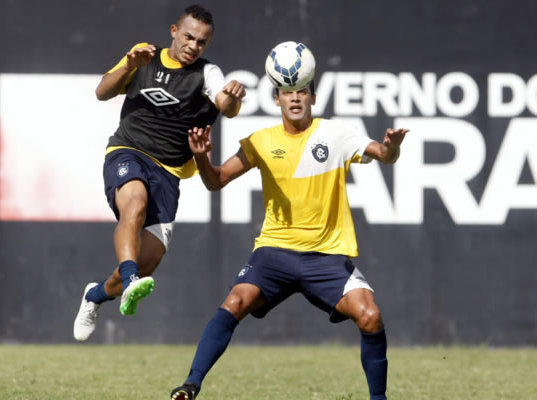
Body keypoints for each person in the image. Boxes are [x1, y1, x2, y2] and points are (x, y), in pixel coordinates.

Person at [170, 77, 408, 399]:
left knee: (370, 316)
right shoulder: (261, 141)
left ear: (313, 97)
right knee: (234, 303)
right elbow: (217, 180)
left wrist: (392, 147)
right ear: (276, 99)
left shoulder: (337, 134)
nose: (295, 98)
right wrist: (200, 157)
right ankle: (191, 385)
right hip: (274, 253)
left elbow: (384, 154)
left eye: (302, 92)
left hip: (326, 257)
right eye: (287, 93)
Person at [73, 4, 246, 341]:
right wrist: (129, 65)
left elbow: (226, 106)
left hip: (168, 173)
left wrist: (233, 97)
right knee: (134, 203)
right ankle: (130, 279)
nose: (193, 46)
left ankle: (95, 295)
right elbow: (101, 92)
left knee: (147, 263)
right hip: (128, 151)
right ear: (173, 31)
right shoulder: (145, 57)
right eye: (188, 37)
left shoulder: (207, 73)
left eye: (201, 42)